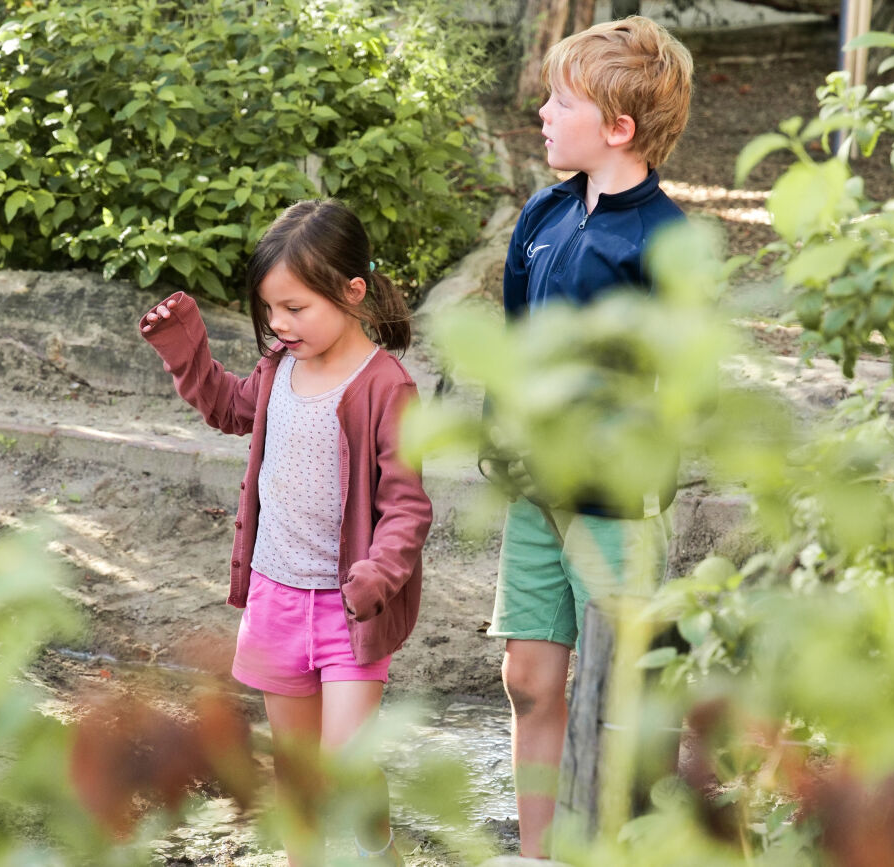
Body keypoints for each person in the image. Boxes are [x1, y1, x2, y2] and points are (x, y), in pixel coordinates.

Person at [138, 199, 431, 865]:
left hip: (351, 609)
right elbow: (226, 405)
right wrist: (186, 348)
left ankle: (376, 851)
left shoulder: (387, 386)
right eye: (271, 309)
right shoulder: (278, 367)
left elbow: (408, 505)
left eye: (296, 308)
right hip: (276, 597)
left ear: (353, 292)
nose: (278, 323)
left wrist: (378, 574)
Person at [483, 16, 693, 858]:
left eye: (559, 99)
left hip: (614, 506)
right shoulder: (540, 214)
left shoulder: (665, 239)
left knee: (621, 696)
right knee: (530, 680)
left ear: (618, 127)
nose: (541, 109)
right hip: (535, 492)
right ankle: (536, 853)